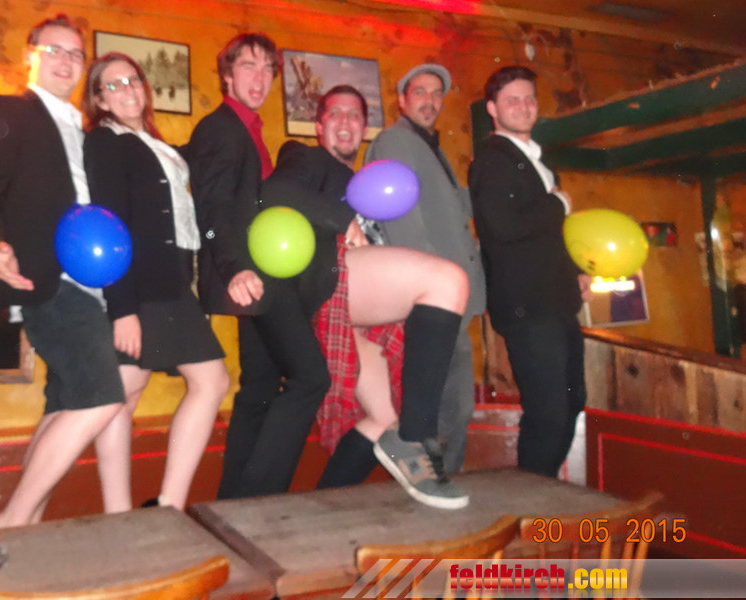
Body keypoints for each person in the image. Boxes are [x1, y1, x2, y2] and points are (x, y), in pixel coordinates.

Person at [262, 85, 471, 509]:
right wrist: (343, 220)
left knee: (382, 418)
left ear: (364, 128)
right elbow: (274, 194)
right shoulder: (305, 157)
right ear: (318, 127)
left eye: (354, 115)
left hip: (351, 306)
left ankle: (325, 510)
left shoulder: (361, 180)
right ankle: (417, 437)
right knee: (448, 281)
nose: (345, 121)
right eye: (334, 114)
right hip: (329, 279)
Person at [0, 14, 124, 528]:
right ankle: (9, 522)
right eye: (54, 50)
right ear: (30, 55)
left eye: (75, 54)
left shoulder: (88, 131)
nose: (65, 61)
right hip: (47, 278)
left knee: (65, 403)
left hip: (92, 283)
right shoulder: (8, 110)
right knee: (101, 399)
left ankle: (26, 525)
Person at [82, 52, 230, 511]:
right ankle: (155, 507)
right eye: (113, 84)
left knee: (125, 395)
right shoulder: (106, 141)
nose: (127, 89)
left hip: (170, 282)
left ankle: (133, 512)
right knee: (203, 382)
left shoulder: (151, 142)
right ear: (99, 100)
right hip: (145, 284)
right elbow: (111, 223)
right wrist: (123, 309)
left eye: (133, 80)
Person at [186, 33, 330, 499]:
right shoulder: (221, 128)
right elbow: (211, 209)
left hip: (258, 271)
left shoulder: (248, 130)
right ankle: (261, 496)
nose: (260, 77)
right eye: (248, 66)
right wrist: (233, 268)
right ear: (227, 75)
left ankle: (234, 502)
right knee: (311, 377)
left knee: (259, 389)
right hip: (253, 274)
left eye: (268, 69)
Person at [364, 63, 484, 474]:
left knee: (454, 407)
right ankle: (433, 485)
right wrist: (432, 283)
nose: (430, 101)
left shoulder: (429, 148)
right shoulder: (396, 141)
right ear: (402, 100)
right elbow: (402, 222)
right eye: (420, 92)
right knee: (443, 408)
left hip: (448, 297)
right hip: (435, 300)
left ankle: (441, 482)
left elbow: (454, 206)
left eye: (437, 94)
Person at [468, 65, 587, 477]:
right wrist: (558, 204)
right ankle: (534, 501)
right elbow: (503, 226)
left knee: (570, 403)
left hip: (555, 301)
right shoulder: (492, 161)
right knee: (549, 411)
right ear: (492, 109)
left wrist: (576, 270)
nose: (523, 106)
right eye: (512, 100)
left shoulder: (537, 163)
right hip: (528, 306)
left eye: (529, 99)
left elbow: (547, 234)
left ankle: (541, 491)